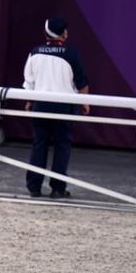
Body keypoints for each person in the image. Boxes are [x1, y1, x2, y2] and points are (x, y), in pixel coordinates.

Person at [22, 17, 90, 199]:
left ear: (45, 33)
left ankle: (34, 187)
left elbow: (29, 82)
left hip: (40, 105)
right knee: (62, 147)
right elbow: (82, 83)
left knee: (39, 145)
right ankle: (57, 188)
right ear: (64, 34)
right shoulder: (72, 54)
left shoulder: (35, 52)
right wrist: (85, 102)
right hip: (63, 107)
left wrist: (29, 102)